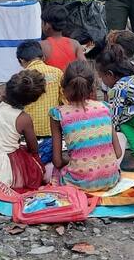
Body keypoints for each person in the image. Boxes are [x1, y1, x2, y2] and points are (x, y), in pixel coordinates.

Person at [50, 61, 122, 192]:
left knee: (51, 170)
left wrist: (74, 159)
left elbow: (57, 162)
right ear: (92, 88)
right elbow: (117, 153)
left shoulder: (58, 114)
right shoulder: (104, 107)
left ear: (63, 87)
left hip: (78, 184)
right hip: (111, 179)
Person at [16, 41, 63, 155]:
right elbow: (64, 101)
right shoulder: (57, 73)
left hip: (29, 133)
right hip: (53, 130)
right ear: (43, 57)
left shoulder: (21, 76)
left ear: (22, 60)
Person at [40, 5, 86, 71]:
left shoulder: (41, 46)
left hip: (51, 81)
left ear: (47, 25)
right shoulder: (75, 44)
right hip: (69, 80)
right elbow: (85, 66)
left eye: (42, 23)